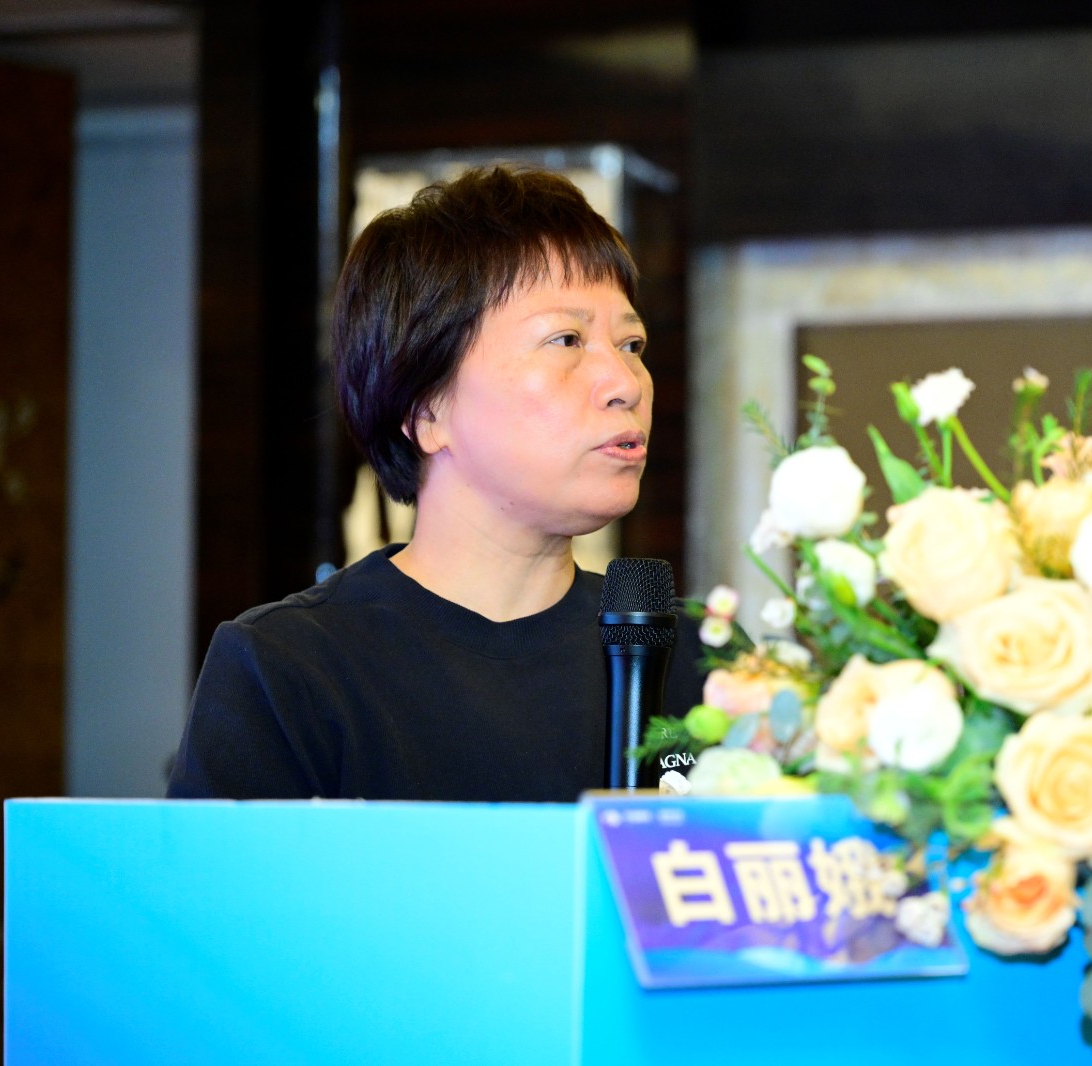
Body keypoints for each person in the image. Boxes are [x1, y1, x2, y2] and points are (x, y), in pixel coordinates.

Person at [168, 166, 705, 801]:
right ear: (427, 409)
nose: (625, 384)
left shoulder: (700, 662)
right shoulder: (290, 667)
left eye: (633, 345)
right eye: (566, 340)